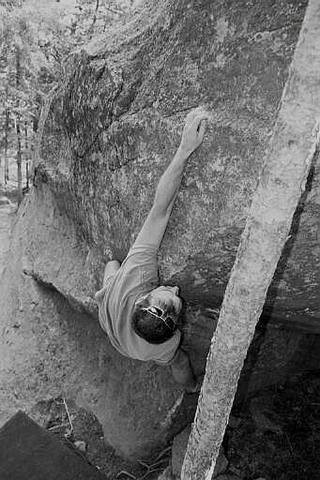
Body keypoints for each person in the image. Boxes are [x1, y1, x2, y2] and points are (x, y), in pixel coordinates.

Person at [95, 108, 209, 392]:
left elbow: (161, 210)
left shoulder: (137, 273)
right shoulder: (166, 344)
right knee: (179, 362)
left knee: (113, 268)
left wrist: (185, 150)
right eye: (176, 299)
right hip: (127, 337)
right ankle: (193, 388)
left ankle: (109, 285)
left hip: (113, 324)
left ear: (142, 297)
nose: (175, 290)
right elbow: (175, 356)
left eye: (165, 293)